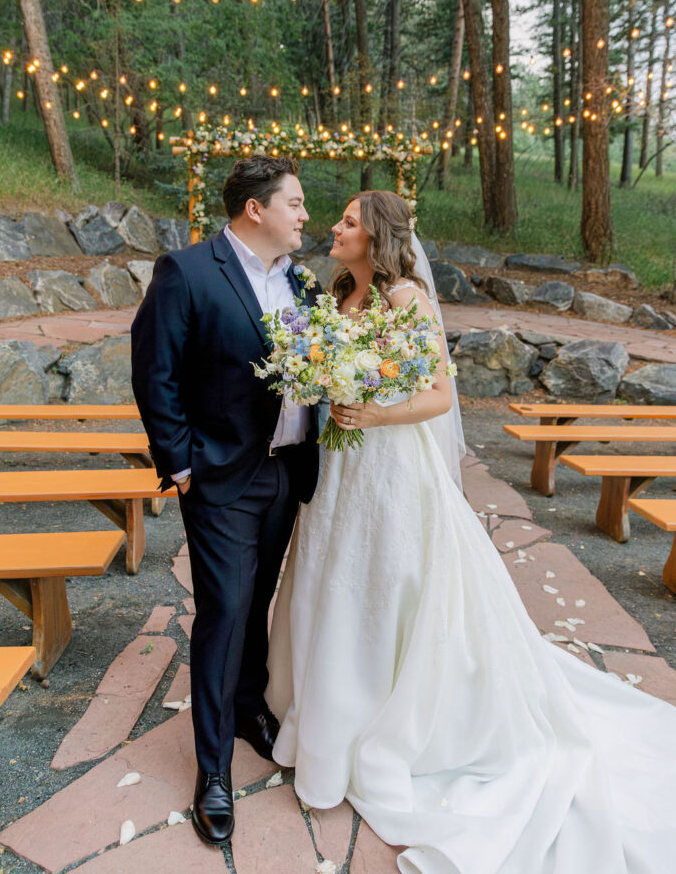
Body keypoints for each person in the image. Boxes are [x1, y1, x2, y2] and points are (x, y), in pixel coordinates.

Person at [266, 189, 676, 874]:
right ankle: (317, 708)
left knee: (388, 583)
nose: (332, 229)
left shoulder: (405, 301)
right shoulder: (339, 294)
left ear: (376, 236)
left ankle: (381, 718)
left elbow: (434, 396)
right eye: (334, 219)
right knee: (330, 576)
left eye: (346, 222)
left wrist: (370, 414)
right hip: (338, 472)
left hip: (390, 466)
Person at [131, 155, 320, 847]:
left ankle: (248, 708)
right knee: (226, 609)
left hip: (287, 472)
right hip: (220, 478)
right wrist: (178, 463)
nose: (304, 216)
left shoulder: (300, 281)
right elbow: (156, 370)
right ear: (255, 210)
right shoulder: (186, 273)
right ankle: (212, 770)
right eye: (294, 203)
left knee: (259, 598)